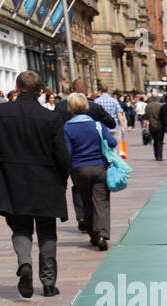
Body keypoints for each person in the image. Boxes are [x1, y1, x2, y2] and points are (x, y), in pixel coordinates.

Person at [0, 70, 72, 298]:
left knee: (20, 227)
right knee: (47, 232)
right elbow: (62, 155)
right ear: (40, 92)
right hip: (46, 180)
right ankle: (48, 283)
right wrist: (63, 178)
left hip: (10, 180)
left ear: (17, 88)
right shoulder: (51, 118)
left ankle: (25, 262)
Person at [63, 92, 114, 251]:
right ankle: (102, 234)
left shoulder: (67, 127)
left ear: (70, 108)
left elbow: (67, 152)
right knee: (101, 201)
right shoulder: (97, 125)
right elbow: (112, 142)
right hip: (99, 167)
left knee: (86, 201)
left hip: (79, 170)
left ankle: (92, 234)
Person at [145, 93, 164, 160]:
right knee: (160, 141)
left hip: (152, 125)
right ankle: (160, 156)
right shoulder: (161, 105)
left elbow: (146, 116)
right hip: (160, 125)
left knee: (155, 141)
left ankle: (156, 155)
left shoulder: (148, 106)